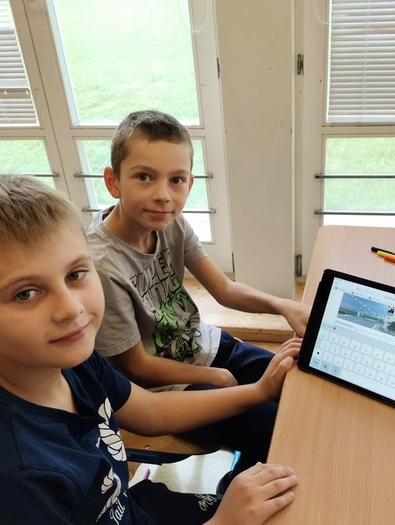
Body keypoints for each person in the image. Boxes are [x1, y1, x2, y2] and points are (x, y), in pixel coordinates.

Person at [0, 176, 300, 525]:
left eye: (75, 275)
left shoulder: (67, 360)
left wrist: (258, 391)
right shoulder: (4, 484)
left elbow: (150, 410)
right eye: (25, 294)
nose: (71, 309)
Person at [86, 110, 310, 484]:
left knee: (301, 388)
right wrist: (214, 375)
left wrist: (283, 305)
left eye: (176, 180)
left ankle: (250, 465)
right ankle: (239, 484)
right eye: (144, 177)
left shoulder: (171, 222)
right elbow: (137, 367)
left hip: (206, 347)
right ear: (114, 182)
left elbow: (224, 290)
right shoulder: (102, 266)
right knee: (278, 428)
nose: (163, 195)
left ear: (189, 183)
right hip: (168, 388)